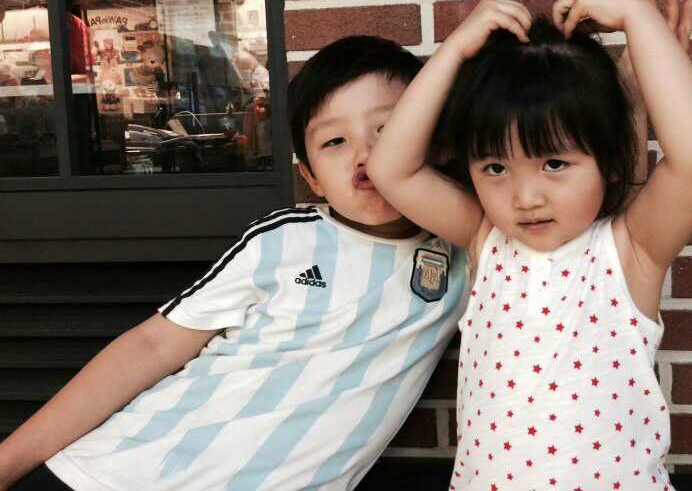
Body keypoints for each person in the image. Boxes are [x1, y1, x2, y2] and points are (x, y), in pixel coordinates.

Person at [0, 35, 470, 490]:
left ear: (436, 141)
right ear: (311, 178)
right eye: (334, 142)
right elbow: (152, 346)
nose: (366, 155)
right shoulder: (286, 240)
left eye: (389, 130)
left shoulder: (467, 255)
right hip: (114, 474)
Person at [367, 0, 692, 490]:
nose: (525, 197)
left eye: (554, 163)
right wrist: (457, 49)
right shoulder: (487, 240)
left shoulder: (631, 252)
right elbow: (391, 169)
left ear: (610, 160)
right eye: (495, 167)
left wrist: (636, 17)